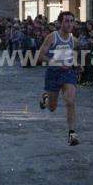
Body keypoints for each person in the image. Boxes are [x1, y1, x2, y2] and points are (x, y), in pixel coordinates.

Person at [38, 11, 80, 146]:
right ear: (60, 23)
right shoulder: (52, 37)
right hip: (53, 74)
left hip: (68, 74)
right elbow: (40, 56)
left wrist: (76, 63)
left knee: (70, 100)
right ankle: (45, 98)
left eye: (71, 21)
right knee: (52, 108)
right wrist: (58, 63)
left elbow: (73, 55)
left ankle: (72, 133)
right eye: (66, 21)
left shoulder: (74, 40)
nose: (69, 24)